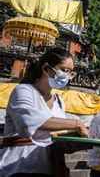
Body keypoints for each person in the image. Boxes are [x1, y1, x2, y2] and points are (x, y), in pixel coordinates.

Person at [0, 47, 89, 176]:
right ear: (46, 68)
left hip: (47, 168)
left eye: (71, 73)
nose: (67, 76)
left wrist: (74, 143)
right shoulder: (24, 91)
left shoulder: (59, 101)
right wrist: (76, 123)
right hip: (17, 168)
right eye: (64, 70)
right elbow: (29, 122)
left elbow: (59, 135)